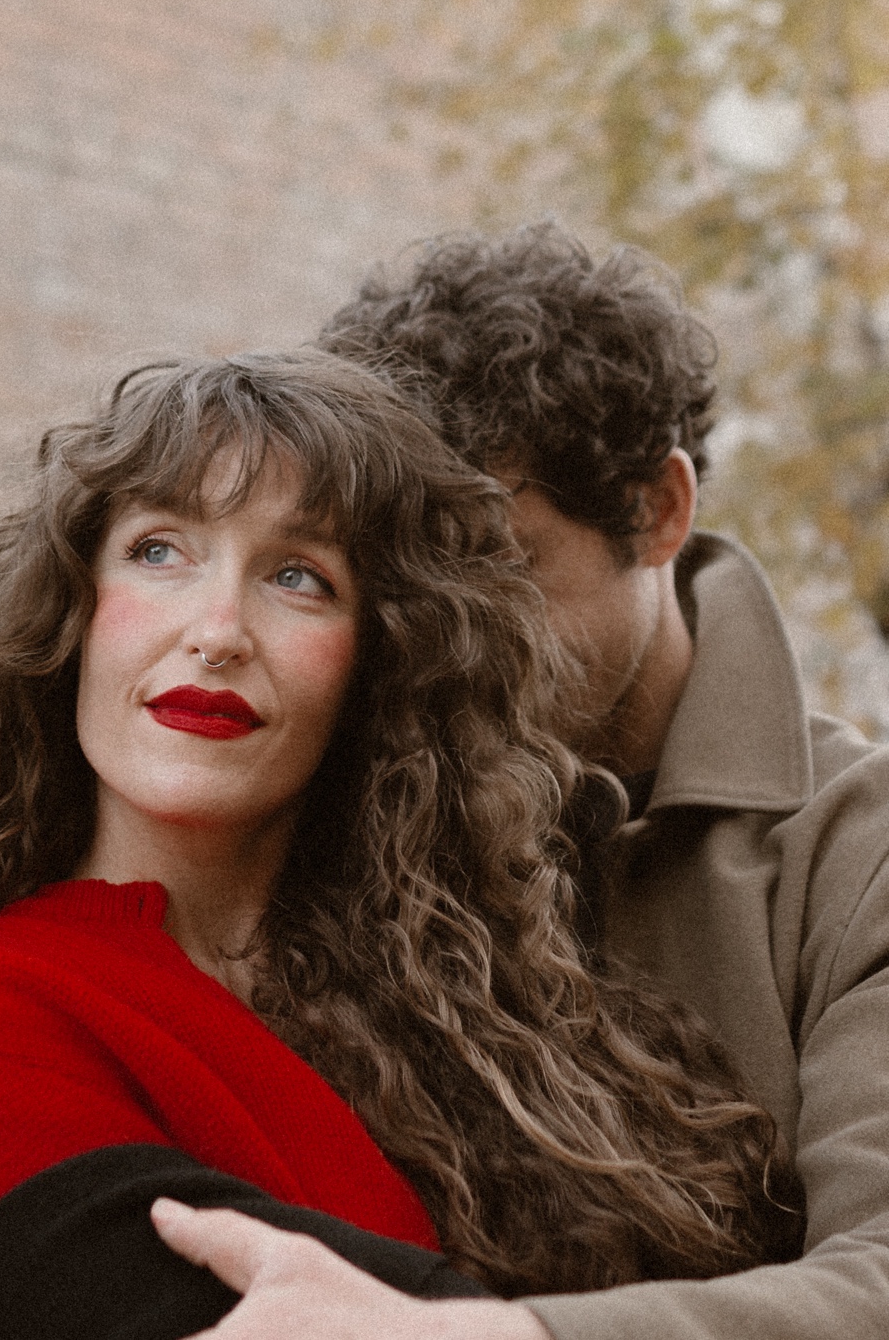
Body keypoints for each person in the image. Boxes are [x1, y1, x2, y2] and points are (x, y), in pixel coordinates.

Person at [0, 351, 795, 1340]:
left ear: (379, 667)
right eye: (161, 551)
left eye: (300, 577)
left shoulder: (493, 1035)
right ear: (74, 614)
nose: (217, 631)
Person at [306, 223, 889, 1340]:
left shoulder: (859, 850)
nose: (452, 634)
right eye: (413, 575)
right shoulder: (336, 813)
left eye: (503, 561)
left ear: (659, 510)